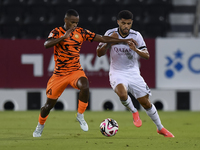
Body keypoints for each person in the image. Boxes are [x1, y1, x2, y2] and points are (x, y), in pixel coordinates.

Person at [33, 9, 134, 137]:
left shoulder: (80, 32)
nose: (74, 25)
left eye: (76, 22)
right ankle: (40, 126)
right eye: (72, 22)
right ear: (66, 20)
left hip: (75, 71)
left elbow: (101, 38)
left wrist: (124, 41)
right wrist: (63, 37)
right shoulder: (56, 31)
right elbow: (46, 44)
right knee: (47, 106)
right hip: (59, 75)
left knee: (85, 85)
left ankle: (80, 115)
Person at [96, 10, 174, 138]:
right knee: (122, 93)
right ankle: (134, 111)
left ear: (131, 23)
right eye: (123, 23)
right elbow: (99, 53)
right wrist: (109, 41)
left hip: (133, 73)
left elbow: (147, 55)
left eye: (128, 23)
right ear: (118, 22)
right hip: (117, 72)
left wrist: (135, 49)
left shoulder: (136, 35)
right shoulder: (110, 33)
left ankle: (160, 128)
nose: (126, 26)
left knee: (146, 103)